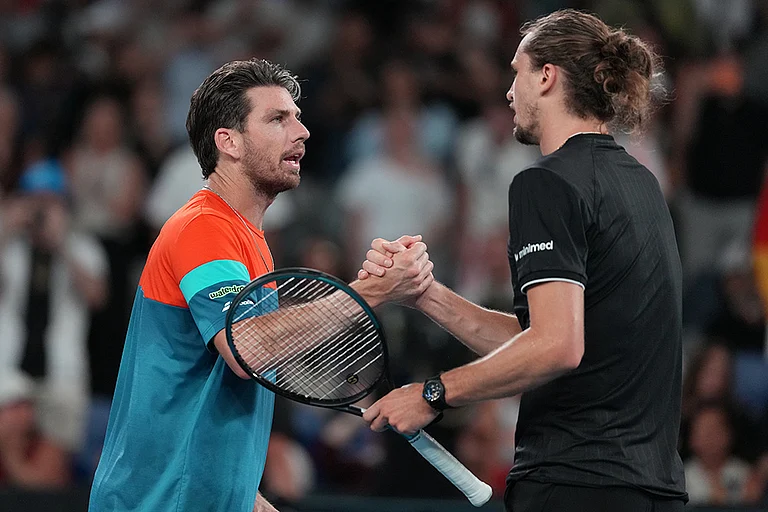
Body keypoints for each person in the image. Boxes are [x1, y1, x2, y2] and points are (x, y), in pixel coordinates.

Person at [359, 9, 687, 512]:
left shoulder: (545, 182)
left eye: (517, 72)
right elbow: (546, 335)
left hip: (575, 485)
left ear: (547, 76)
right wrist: (425, 294)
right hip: (651, 489)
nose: (509, 92)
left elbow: (556, 346)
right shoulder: (641, 183)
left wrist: (431, 393)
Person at [89, 58, 432, 512]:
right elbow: (246, 347)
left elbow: (203, 384)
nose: (302, 131)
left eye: (298, 116)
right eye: (278, 119)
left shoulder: (246, 240)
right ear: (228, 142)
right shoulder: (203, 228)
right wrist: (372, 292)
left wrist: (240, 495)